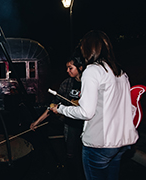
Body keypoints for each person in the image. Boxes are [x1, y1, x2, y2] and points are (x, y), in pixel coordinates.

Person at [51, 30, 139, 180]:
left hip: (101, 144)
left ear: (88, 49)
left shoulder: (92, 70)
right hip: (121, 142)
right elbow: (128, 107)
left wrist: (60, 109)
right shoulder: (120, 71)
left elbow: (86, 112)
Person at [30, 47, 85, 180]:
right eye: (67, 68)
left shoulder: (88, 83)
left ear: (80, 67)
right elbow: (53, 105)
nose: (67, 71)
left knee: (86, 154)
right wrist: (37, 122)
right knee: (71, 155)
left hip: (87, 125)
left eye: (70, 68)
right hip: (71, 124)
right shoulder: (66, 84)